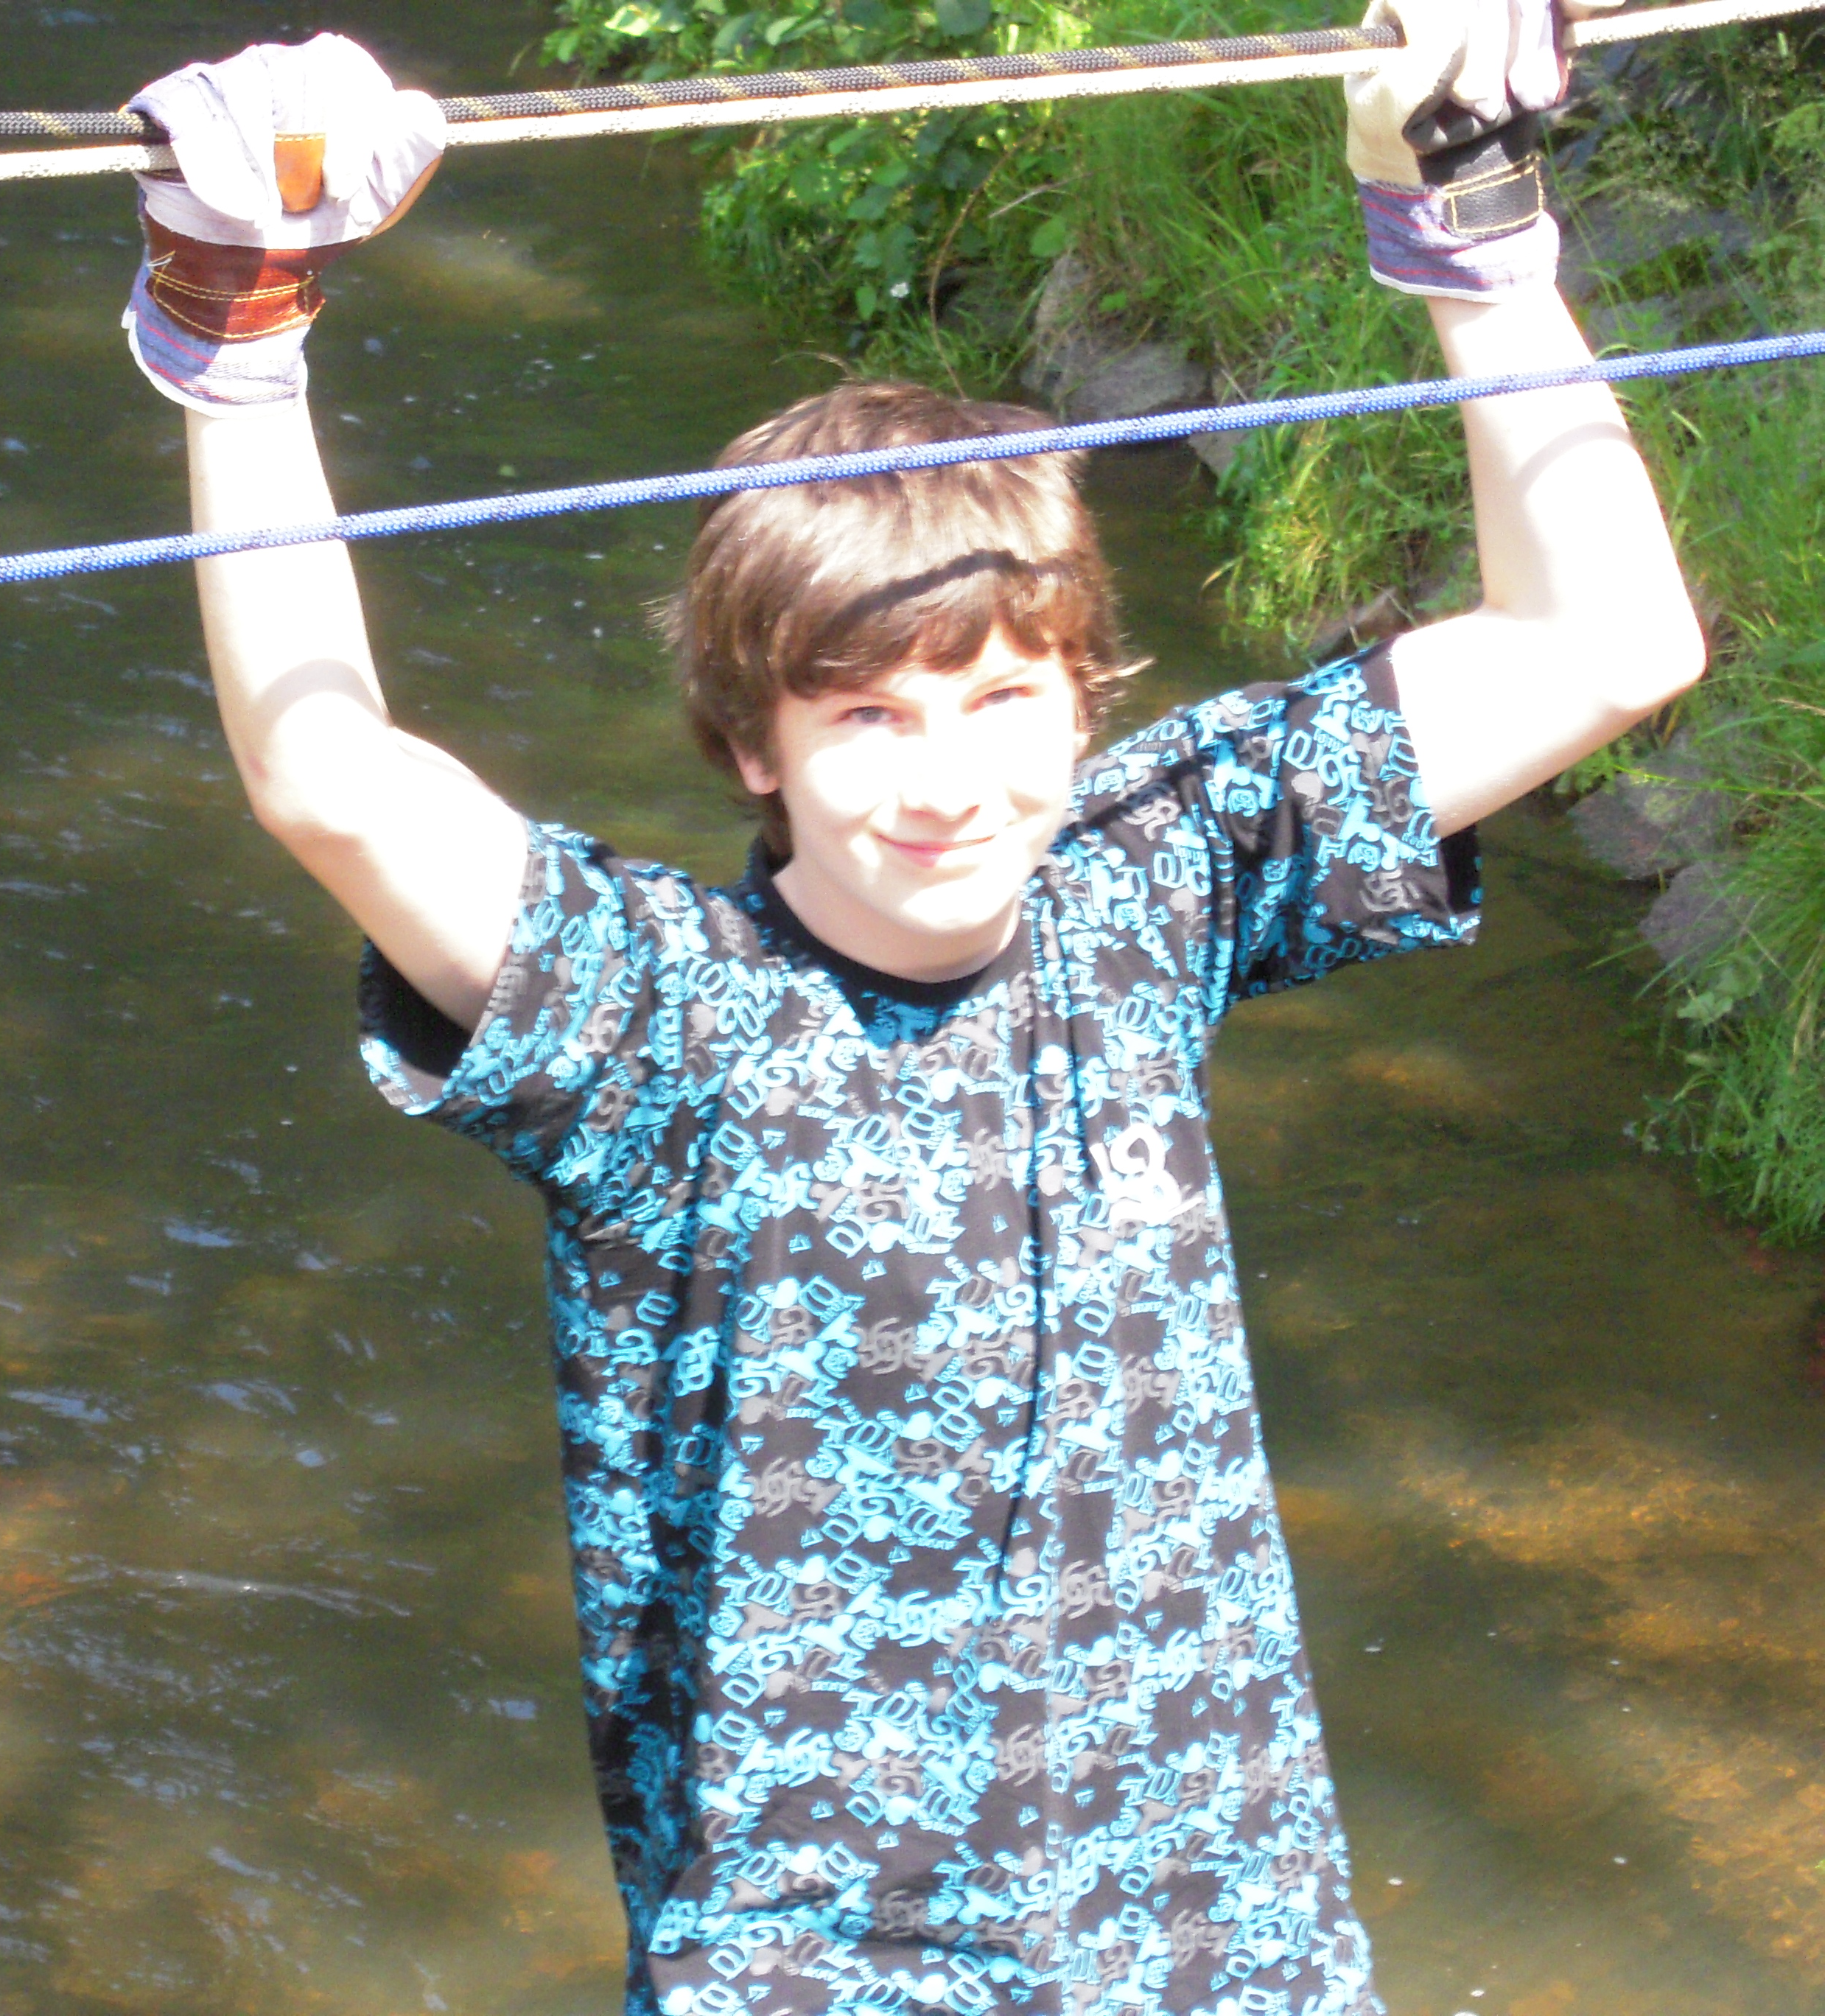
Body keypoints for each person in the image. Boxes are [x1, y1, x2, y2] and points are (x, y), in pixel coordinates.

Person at [119, 0, 1697, 2008]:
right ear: (750, 747)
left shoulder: (1153, 885)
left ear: (1082, 702)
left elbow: (1607, 643)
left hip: (1226, 1941)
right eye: (866, 717)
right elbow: (331, 781)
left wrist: (1474, 219)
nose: (948, 781)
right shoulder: (659, 1022)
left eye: (1001, 699)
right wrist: (242, 329)